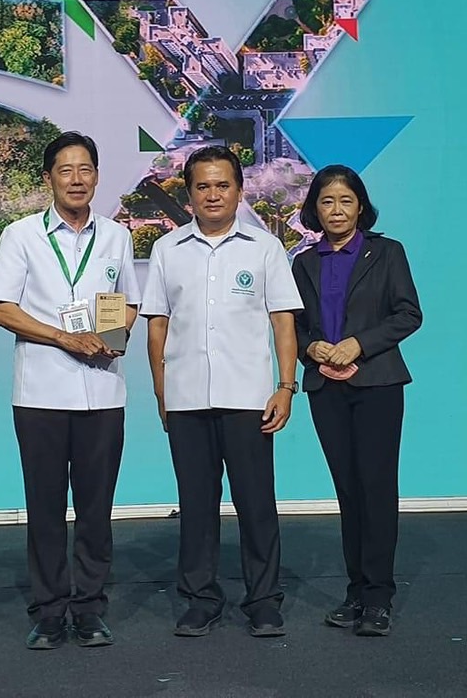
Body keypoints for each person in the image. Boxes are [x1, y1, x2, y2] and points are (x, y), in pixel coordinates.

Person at [0, 132, 140, 650]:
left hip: (103, 392)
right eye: (65, 170)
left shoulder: (117, 236)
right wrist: (63, 337)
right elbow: (3, 309)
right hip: (41, 394)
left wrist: (112, 338)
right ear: (48, 177)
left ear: (97, 175)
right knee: (45, 508)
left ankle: (90, 609)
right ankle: (49, 612)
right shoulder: (21, 235)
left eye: (85, 169)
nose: (76, 179)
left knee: (97, 509)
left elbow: (127, 302)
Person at [141, 144, 303, 639]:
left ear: (239, 189)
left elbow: (283, 322)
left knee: (257, 505)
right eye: (203, 186)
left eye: (222, 185)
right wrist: (162, 394)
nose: (213, 194)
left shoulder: (264, 247)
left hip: (248, 398)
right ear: (188, 194)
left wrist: (286, 386)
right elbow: (156, 326)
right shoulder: (168, 249)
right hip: (186, 399)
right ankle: (201, 598)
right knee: (195, 505)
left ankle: (263, 600)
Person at [290, 164, 422, 637]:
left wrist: (358, 344)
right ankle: (356, 591)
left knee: (376, 488)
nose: (337, 210)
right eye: (327, 201)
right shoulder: (303, 262)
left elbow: (408, 314)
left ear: (361, 206)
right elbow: (293, 325)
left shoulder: (387, 253)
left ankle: (379, 597)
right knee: (348, 490)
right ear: (314, 209)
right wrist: (310, 348)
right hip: (326, 387)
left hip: (377, 385)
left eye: (346, 201)